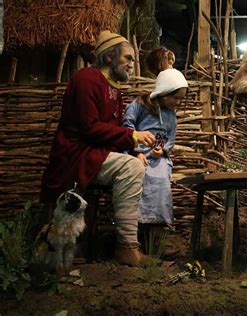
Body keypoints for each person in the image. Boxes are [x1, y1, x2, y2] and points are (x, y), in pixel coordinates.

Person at [40, 30, 156, 265]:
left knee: (136, 164)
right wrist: (132, 137)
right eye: (128, 58)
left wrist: (133, 150)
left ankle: (126, 243)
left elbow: (112, 133)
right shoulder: (86, 79)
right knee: (131, 168)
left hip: (95, 153)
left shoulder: (113, 89)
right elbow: (90, 128)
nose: (133, 64)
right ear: (109, 57)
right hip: (76, 154)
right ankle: (126, 247)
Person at [123, 69, 188, 233]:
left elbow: (171, 136)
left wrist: (163, 150)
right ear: (164, 93)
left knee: (161, 182)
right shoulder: (140, 106)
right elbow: (127, 126)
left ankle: (155, 227)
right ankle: (137, 226)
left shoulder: (171, 114)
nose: (179, 102)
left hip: (157, 157)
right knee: (139, 181)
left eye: (181, 98)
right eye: (175, 97)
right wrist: (136, 151)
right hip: (134, 155)